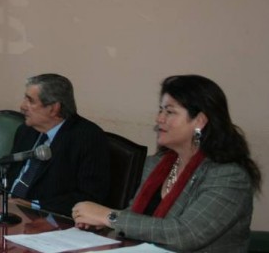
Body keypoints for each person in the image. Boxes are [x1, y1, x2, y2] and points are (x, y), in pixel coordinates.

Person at [73, 75, 262, 252]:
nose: (159, 119)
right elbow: (137, 216)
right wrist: (102, 221)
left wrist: (110, 217)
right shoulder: (157, 163)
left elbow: (186, 234)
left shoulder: (228, 176)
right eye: (161, 110)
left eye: (169, 112)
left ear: (200, 121)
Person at [0, 74, 110, 217]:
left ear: (54, 108)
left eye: (30, 101)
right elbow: (8, 172)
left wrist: (36, 206)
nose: (22, 107)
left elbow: (89, 196)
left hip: (46, 221)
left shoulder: (88, 137)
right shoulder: (25, 131)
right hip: (7, 211)